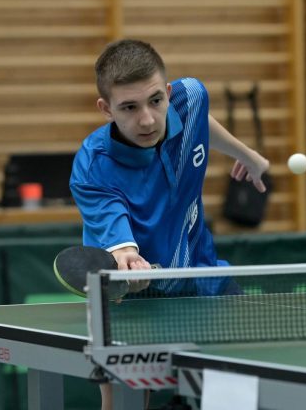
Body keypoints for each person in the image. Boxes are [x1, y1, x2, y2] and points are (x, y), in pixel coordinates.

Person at [69, 38, 270, 409]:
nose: (147, 119)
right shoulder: (93, 167)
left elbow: (198, 120)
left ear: (169, 92)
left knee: (241, 392)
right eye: (129, 107)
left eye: (155, 100)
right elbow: (121, 245)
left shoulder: (189, 95)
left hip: (204, 279)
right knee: (125, 404)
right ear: (106, 109)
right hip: (137, 299)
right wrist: (130, 265)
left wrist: (247, 155)